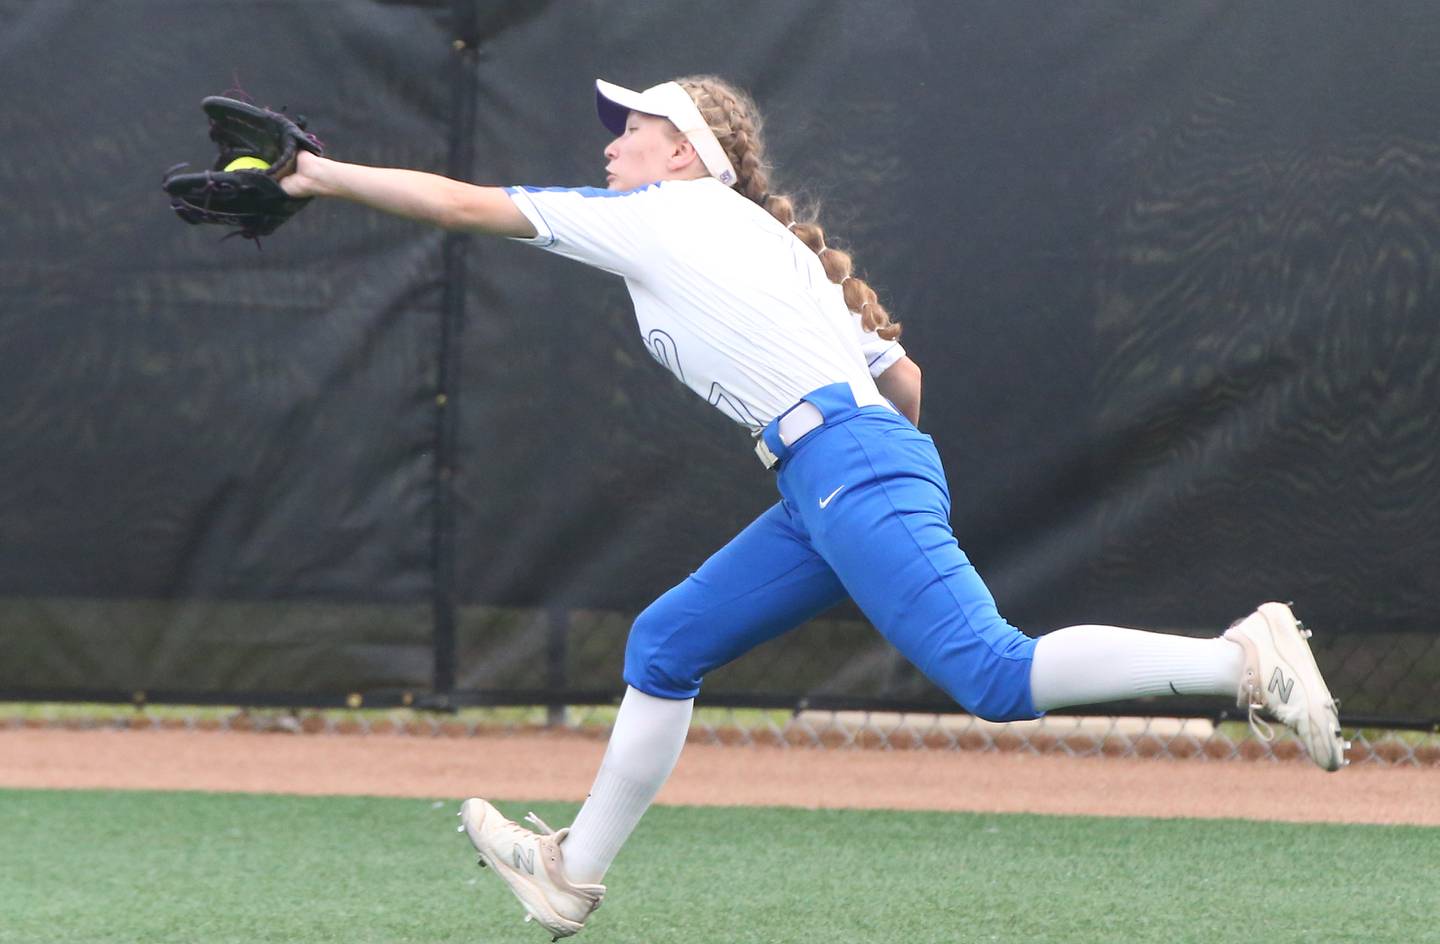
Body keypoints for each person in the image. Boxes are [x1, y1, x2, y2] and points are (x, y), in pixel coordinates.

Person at [279, 76, 1346, 939]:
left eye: (636, 125)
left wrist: (318, 176)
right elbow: (909, 380)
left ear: (686, 152)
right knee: (667, 641)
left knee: (994, 672)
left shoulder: (659, 214)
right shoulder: (765, 241)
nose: (615, 141)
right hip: (833, 479)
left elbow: (464, 206)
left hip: (846, 470)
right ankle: (572, 872)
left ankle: (1239, 660)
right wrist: (863, 478)